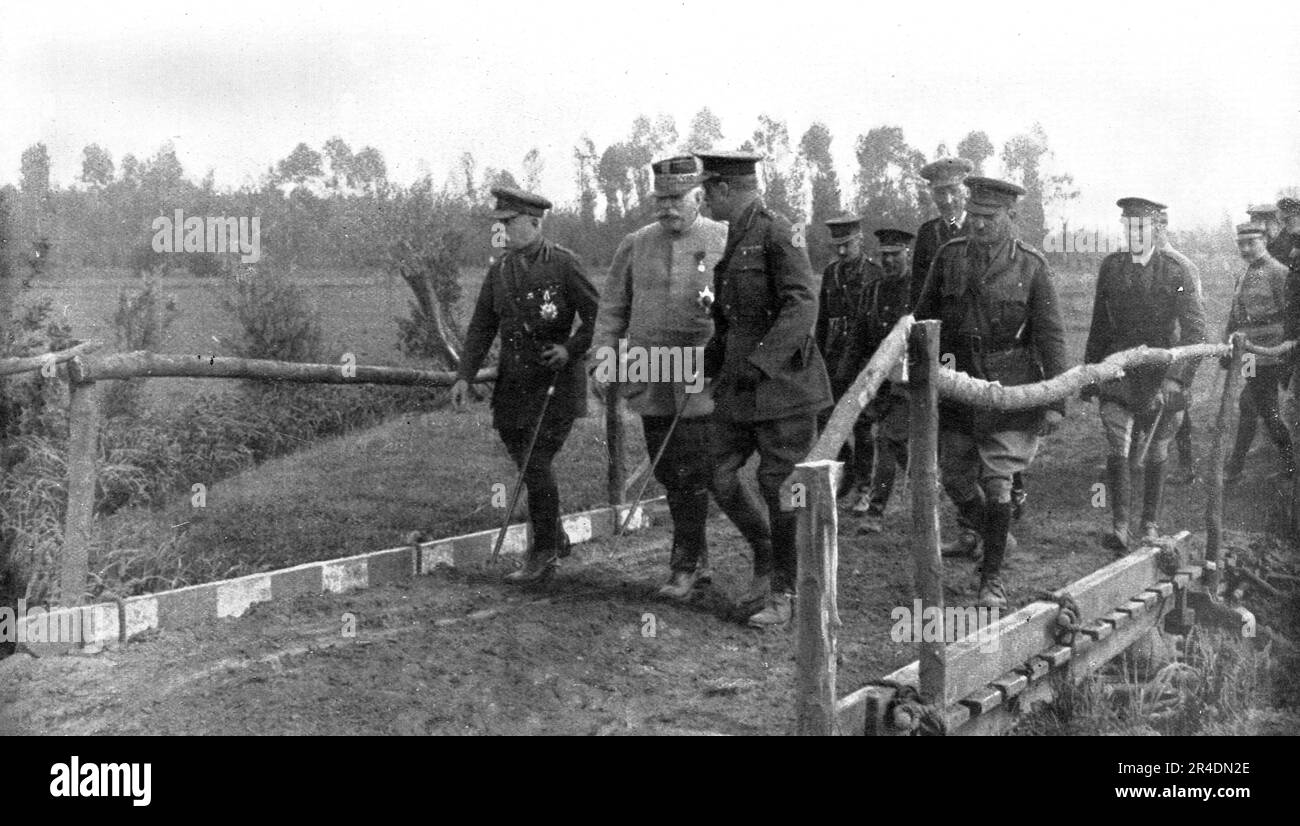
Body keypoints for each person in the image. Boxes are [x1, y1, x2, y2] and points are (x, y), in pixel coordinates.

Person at [912, 177, 1067, 607]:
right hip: (959, 385)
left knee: (998, 483)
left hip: (1011, 386)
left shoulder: (1031, 266)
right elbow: (923, 321)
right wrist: (919, 379)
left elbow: (1051, 336)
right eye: (975, 216)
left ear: (1010, 217)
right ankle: (996, 534)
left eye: (989, 217)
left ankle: (991, 578)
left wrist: (1055, 400)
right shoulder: (948, 257)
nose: (978, 225)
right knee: (957, 478)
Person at [697, 150, 833, 627]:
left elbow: (802, 304)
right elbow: (728, 318)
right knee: (715, 471)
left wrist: (763, 361)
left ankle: (787, 593)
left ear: (724, 189)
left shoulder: (781, 231)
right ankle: (766, 551)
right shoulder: (734, 237)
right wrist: (708, 365)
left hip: (784, 389)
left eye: (706, 191)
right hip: (740, 388)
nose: (703, 200)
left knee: (780, 487)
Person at [590, 155, 727, 600]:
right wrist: (603, 357)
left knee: (695, 467)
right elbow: (612, 308)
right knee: (669, 468)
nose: (666, 208)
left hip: (702, 371)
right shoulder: (635, 243)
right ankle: (697, 558)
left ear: (699, 197)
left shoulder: (723, 238)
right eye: (660, 199)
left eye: (676, 199)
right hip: (651, 372)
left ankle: (685, 565)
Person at [450, 187, 599, 584]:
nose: (502, 231)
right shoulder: (499, 271)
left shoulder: (565, 265)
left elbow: (599, 318)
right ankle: (556, 535)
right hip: (514, 388)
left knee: (535, 463)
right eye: (499, 224)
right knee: (530, 464)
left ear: (534, 223)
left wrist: (570, 349)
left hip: (556, 387)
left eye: (509, 223)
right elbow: (482, 326)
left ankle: (544, 551)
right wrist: (465, 375)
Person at [1082, 197, 1206, 554]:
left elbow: (1196, 331)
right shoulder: (1111, 267)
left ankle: (1148, 523)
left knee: (1156, 448)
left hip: (1161, 375)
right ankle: (1120, 526)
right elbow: (1099, 324)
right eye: (1129, 227)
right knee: (1117, 441)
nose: (1135, 234)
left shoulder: (1177, 270)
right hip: (1120, 371)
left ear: (1156, 229)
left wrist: (1177, 378)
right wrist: (1092, 374)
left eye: (1142, 228)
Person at [914, 157, 1029, 526]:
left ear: (964, 192)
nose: (946, 200)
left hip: (995, 351)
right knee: (956, 445)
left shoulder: (994, 231)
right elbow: (921, 298)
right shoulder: (929, 235)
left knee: (994, 443)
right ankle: (974, 530)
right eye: (938, 193)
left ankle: (1009, 503)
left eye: (951, 191)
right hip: (951, 348)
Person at [835, 228, 915, 534]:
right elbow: (857, 337)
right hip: (876, 378)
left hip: (906, 380)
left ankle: (875, 512)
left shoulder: (918, 291)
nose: (890, 261)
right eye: (885, 255)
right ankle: (925, 482)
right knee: (877, 434)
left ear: (907, 254)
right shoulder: (872, 291)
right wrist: (844, 376)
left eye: (896, 254)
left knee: (887, 438)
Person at [815, 212, 882, 508]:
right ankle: (848, 472)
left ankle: (865, 488)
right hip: (833, 356)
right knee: (825, 417)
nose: (842, 251)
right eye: (837, 246)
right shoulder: (831, 273)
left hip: (862, 358)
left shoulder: (874, 273)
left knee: (862, 424)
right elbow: (823, 318)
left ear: (860, 240)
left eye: (848, 244)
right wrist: (817, 355)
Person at [1222, 223, 1295, 481]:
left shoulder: (1279, 272)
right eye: (1241, 244)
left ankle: (1285, 466)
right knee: (1253, 404)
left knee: (1259, 405)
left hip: (1271, 350)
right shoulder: (1243, 274)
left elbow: (1291, 315)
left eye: (1251, 243)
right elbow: (1236, 313)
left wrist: (1286, 350)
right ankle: (1239, 467)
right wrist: (1226, 345)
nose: (1245, 249)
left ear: (1264, 240)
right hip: (1249, 352)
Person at [1156, 208, 1204, 487]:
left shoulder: (1182, 264)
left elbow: (1195, 312)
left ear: (1165, 226)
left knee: (1175, 402)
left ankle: (1186, 466)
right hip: (1149, 343)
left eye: (1161, 224)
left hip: (1176, 345)